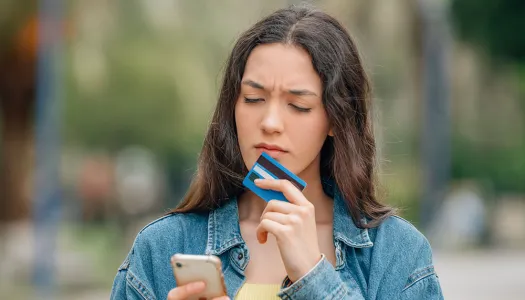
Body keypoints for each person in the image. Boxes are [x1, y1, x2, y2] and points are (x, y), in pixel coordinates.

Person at [110, 5, 444, 300]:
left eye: (298, 106)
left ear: (334, 119)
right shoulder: (162, 248)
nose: (269, 122)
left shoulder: (397, 253)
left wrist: (315, 277)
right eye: (253, 99)